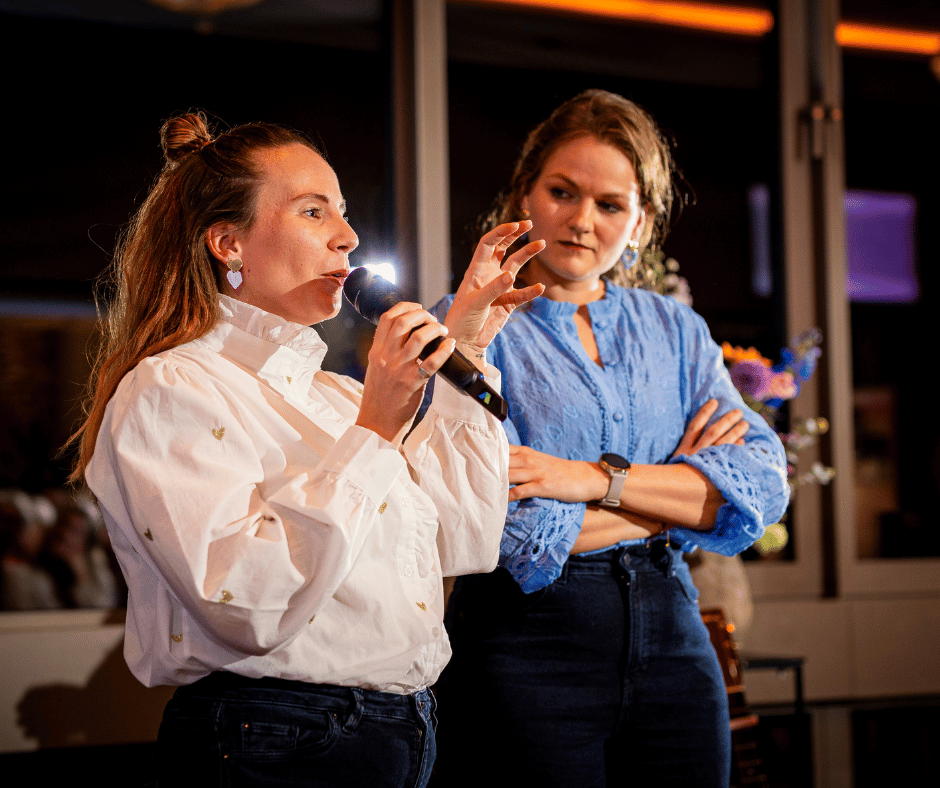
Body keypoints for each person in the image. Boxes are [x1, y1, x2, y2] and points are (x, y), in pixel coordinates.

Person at [68, 111, 543, 787]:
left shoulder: (337, 398)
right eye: (314, 212)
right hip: (274, 737)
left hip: (401, 731)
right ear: (228, 243)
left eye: (343, 213)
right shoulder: (172, 386)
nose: (347, 236)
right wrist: (375, 433)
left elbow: (464, 542)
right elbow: (243, 603)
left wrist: (464, 350)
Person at [428, 89, 790, 787]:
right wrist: (676, 496)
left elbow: (762, 483)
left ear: (643, 222)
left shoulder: (676, 329)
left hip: (678, 633)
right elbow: (497, 518)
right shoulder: (466, 323)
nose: (582, 221)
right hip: (525, 642)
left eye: (610, 204)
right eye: (562, 191)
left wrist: (594, 480)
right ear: (523, 194)